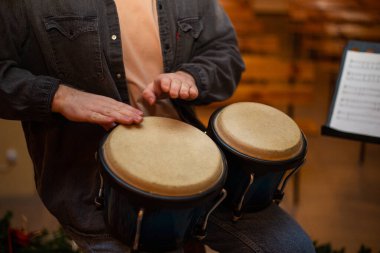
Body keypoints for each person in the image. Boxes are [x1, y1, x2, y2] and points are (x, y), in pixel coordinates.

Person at [0, 0, 315, 252]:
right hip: (98, 187)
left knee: (293, 246)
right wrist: (59, 96)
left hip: (195, 167)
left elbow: (226, 54)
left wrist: (191, 77)